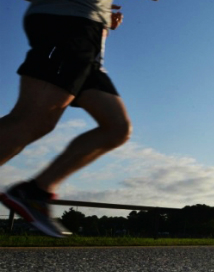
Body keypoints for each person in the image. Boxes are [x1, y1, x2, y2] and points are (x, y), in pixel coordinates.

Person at [0, 0, 155, 238]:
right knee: (31, 120)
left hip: (88, 36)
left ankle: (35, 192)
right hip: (68, 25)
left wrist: (103, 16)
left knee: (116, 129)